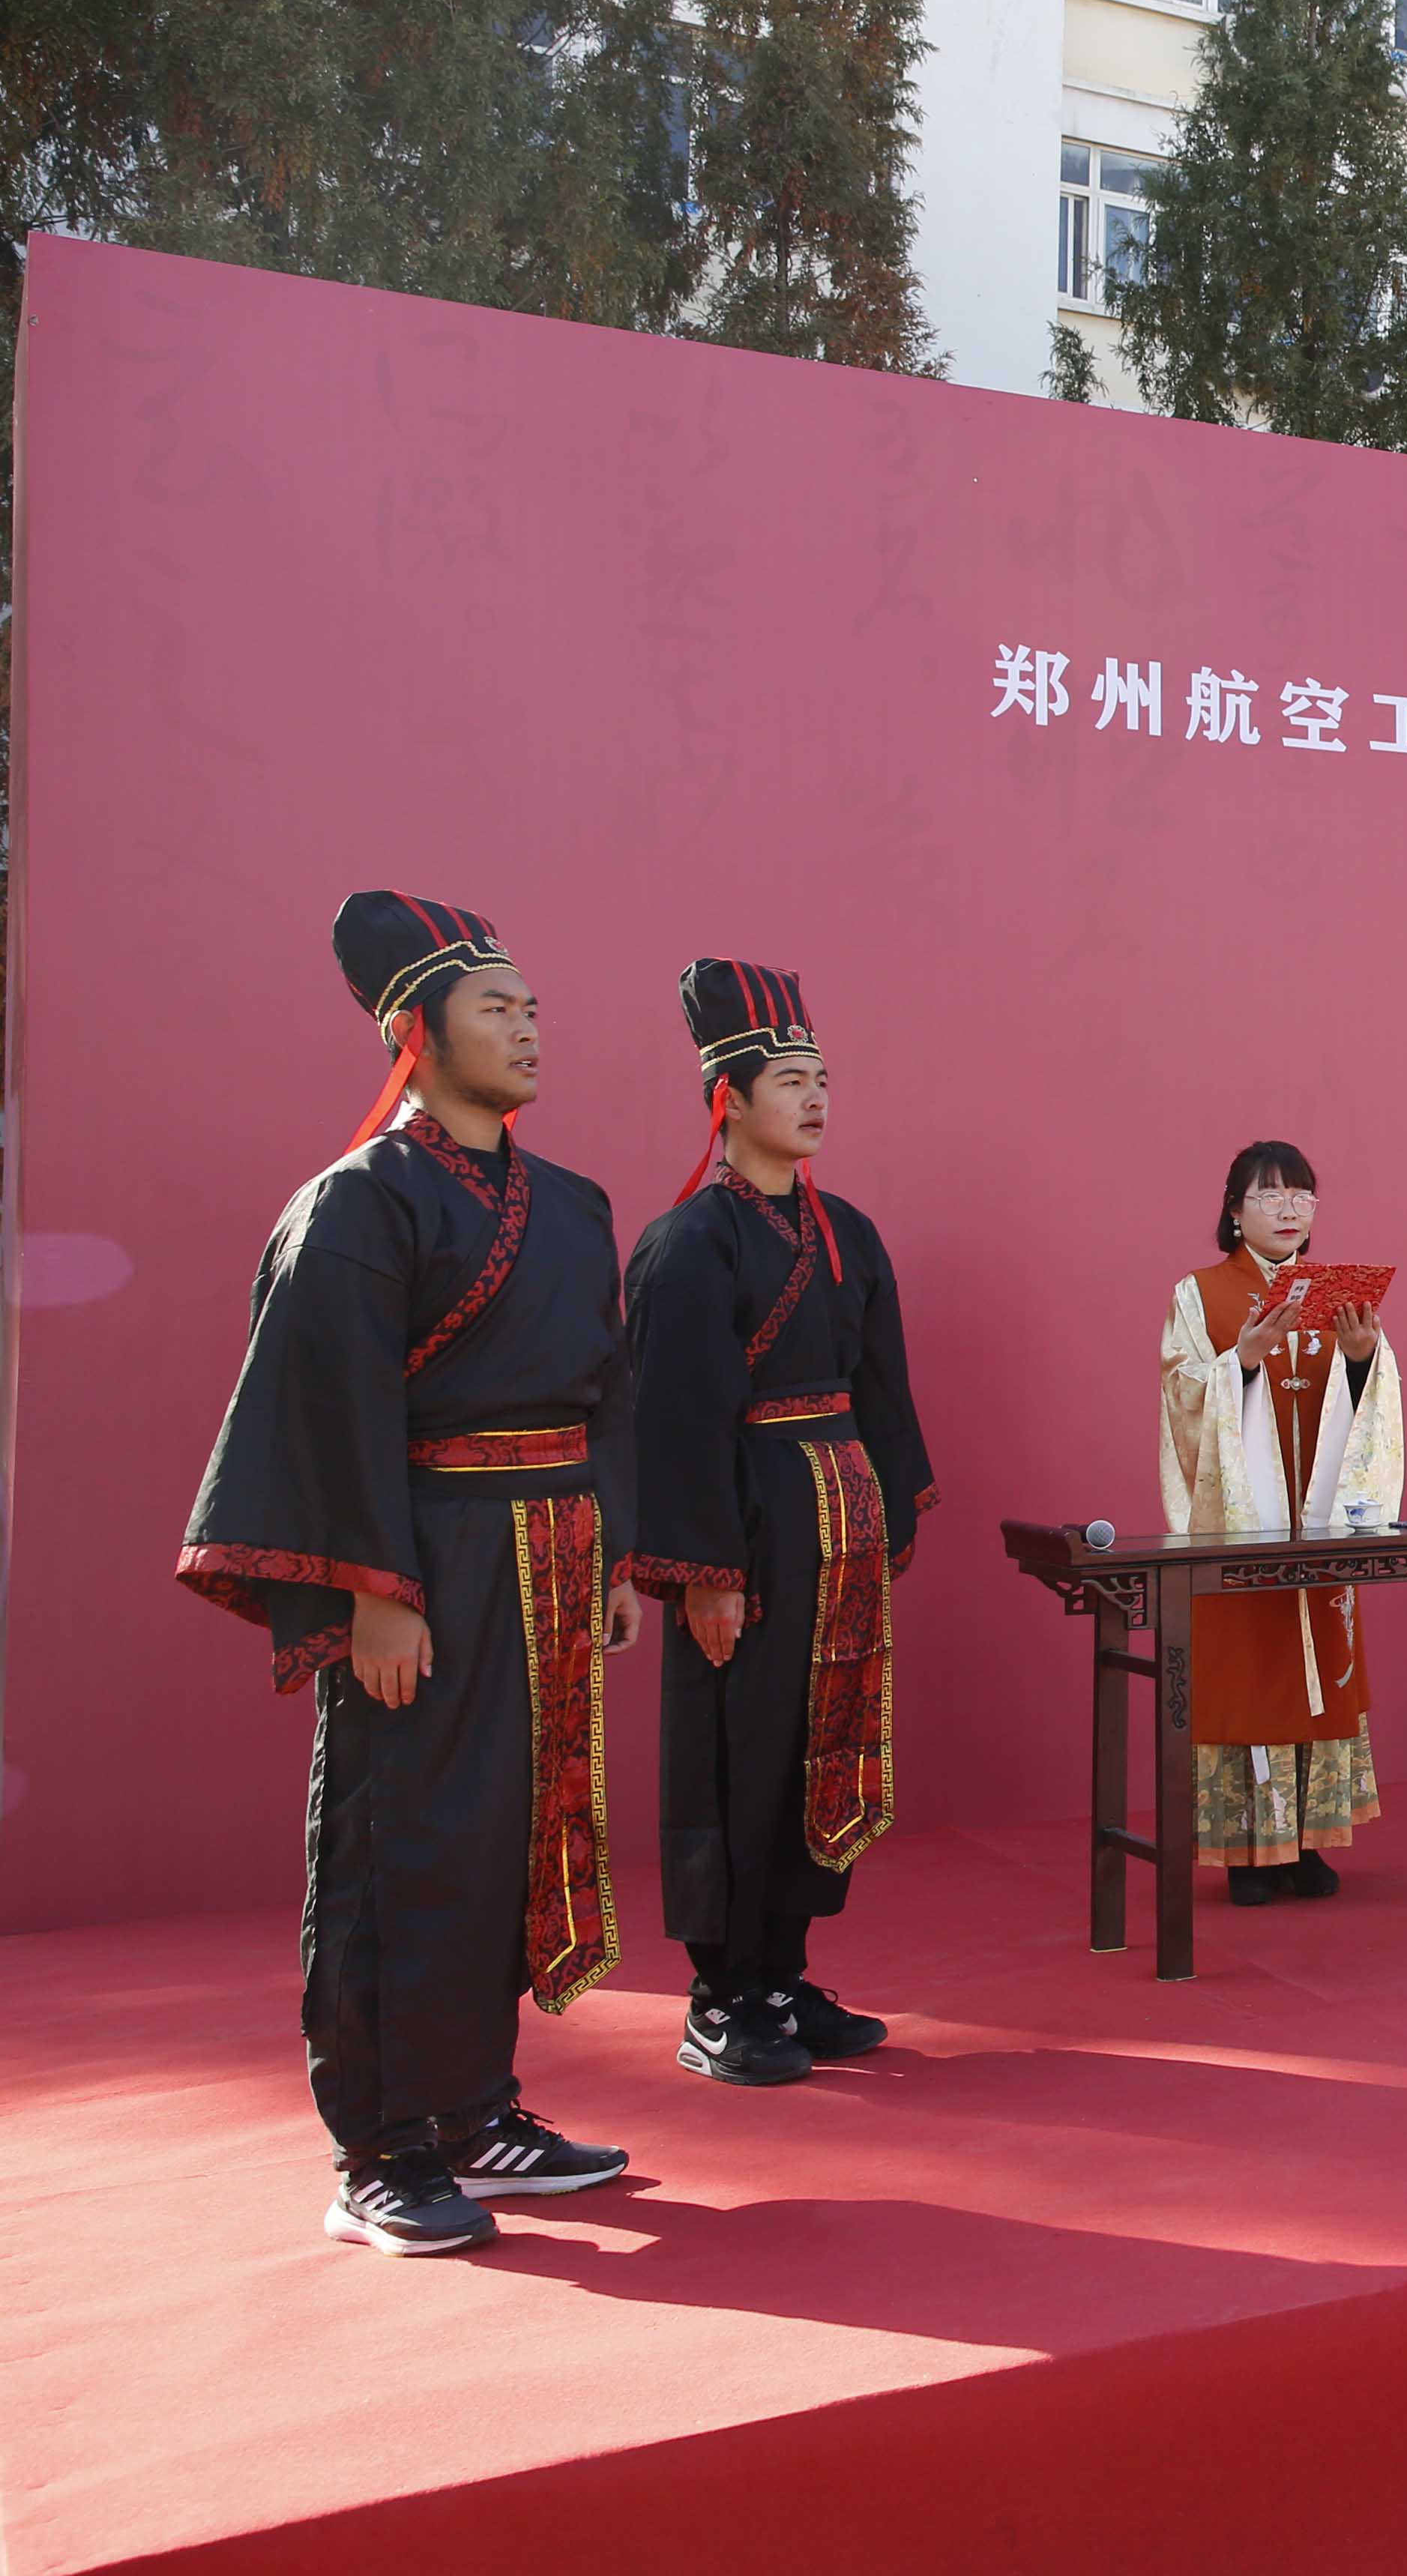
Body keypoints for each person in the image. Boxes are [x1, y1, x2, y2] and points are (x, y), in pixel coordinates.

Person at [175, 895, 643, 2253]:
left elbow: (607, 1397)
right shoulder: (358, 1202)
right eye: (497, 1007)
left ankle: (476, 2110)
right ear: (414, 1031)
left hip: (552, 1560)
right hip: (424, 1560)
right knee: (406, 1840)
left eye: (533, 1007)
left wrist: (610, 1553)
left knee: (510, 1835)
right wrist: (373, 1589)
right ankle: (378, 2148)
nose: (529, 1027)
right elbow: (332, 1407)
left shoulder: (575, 1204)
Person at [624, 961, 936, 2088]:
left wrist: (889, 1512)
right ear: (730, 1098)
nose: (814, 1099)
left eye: (822, 1080)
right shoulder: (688, 1244)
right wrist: (706, 1570)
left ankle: (785, 1971)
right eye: (791, 1080)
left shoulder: (848, 1232)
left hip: (840, 1525)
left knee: (824, 1739)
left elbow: (881, 1383)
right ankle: (722, 1992)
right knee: (739, 1747)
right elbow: (673, 1419)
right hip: (749, 1528)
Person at [1160, 1141, 1403, 1902]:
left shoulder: (1341, 1295)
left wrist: (1359, 1358)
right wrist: (1241, 1363)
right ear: (1235, 1212)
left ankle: (1308, 1843)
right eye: (1269, 1196)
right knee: (1250, 1671)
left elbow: (1374, 1403)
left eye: (1302, 1195)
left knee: (1320, 1668)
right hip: (1242, 1521)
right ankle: (1248, 1850)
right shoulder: (1201, 1293)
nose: (1289, 1209)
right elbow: (1181, 1395)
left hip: (1318, 1519)